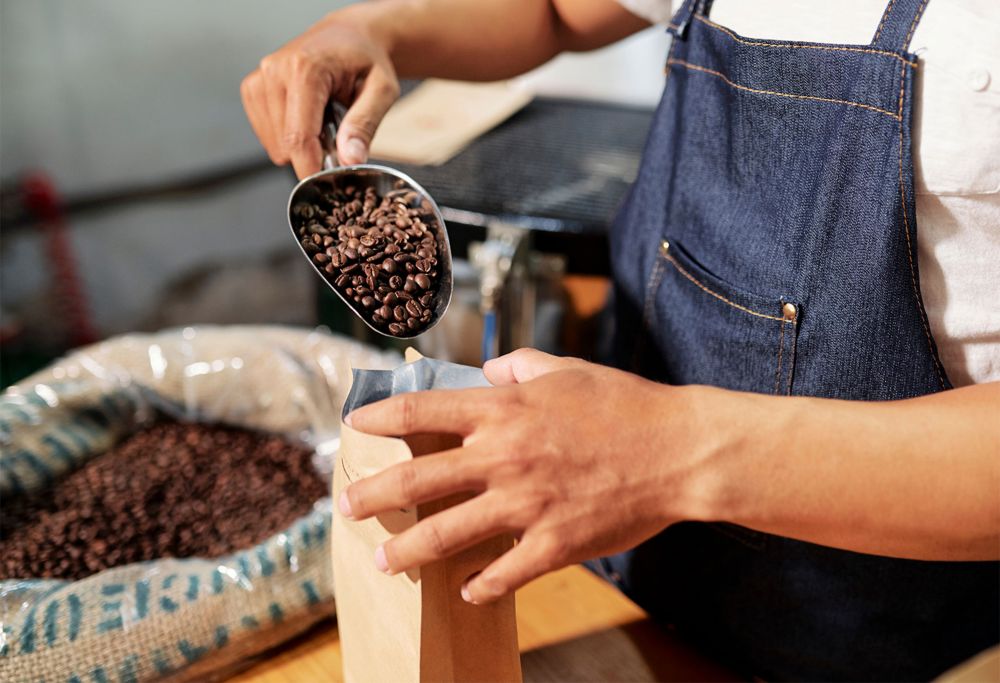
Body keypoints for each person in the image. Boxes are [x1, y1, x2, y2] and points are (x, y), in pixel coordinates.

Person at [241, 0, 999, 679]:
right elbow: (558, 9)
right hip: (638, 585)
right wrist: (378, 27)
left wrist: (671, 452)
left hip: (905, 641)